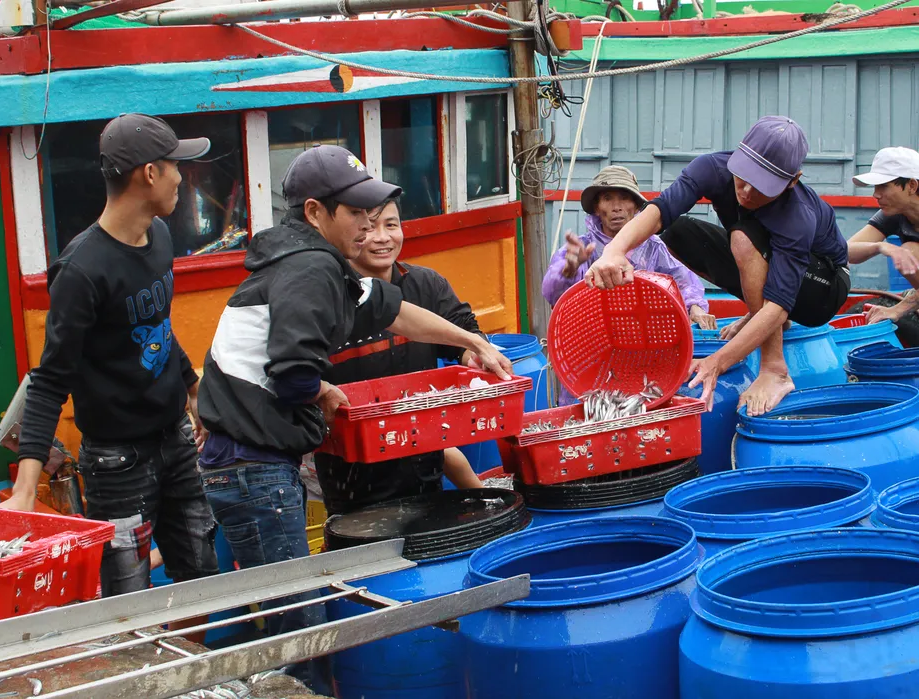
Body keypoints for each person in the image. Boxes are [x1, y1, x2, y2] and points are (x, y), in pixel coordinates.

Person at [196, 144, 511, 692]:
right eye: (357, 213)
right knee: (301, 627)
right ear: (316, 213)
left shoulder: (318, 265)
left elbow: (395, 312)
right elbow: (293, 371)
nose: (369, 227)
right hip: (251, 467)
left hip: (251, 464)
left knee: (301, 614)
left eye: (378, 213)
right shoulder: (311, 266)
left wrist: (467, 340)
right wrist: (322, 391)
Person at [0, 114, 220, 602]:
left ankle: (195, 677)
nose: (181, 178)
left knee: (203, 579)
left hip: (175, 442)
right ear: (148, 174)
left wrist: (191, 386)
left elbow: (156, 327)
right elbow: (50, 379)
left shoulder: (160, 237)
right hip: (118, 462)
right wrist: (25, 485)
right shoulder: (81, 271)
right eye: (174, 167)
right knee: (128, 598)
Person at [586, 116, 849, 417]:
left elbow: (778, 306)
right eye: (744, 177)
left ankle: (775, 369)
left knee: (743, 238)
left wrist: (717, 362)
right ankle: (755, 315)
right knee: (678, 231)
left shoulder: (797, 216)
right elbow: (660, 210)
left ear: (792, 180)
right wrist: (614, 250)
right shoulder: (712, 167)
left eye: (762, 186)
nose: (747, 191)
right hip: (776, 272)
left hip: (824, 287)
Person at [314, 195, 484, 517]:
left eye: (391, 225)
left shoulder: (426, 285)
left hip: (424, 468)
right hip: (350, 477)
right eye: (370, 226)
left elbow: (464, 331)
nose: (382, 237)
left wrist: (472, 355)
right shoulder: (326, 296)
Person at [543, 166, 714, 406]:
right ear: (596, 208)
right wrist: (569, 270)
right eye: (607, 198)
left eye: (624, 197)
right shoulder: (582, 248)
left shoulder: (653, 247)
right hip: (591, 355)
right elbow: (553, 294)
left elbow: (682, 280)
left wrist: (695, 306)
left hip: (647, 352)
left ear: (635, 206)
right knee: (588, 421)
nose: (617, 207)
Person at [847, 147, 919, 324]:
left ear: (911, 186)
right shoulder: (893, 213)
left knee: (910, 249)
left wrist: (898, 309)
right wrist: (881, 246)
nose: (875, 194)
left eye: (883, 186)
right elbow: (844, 251)